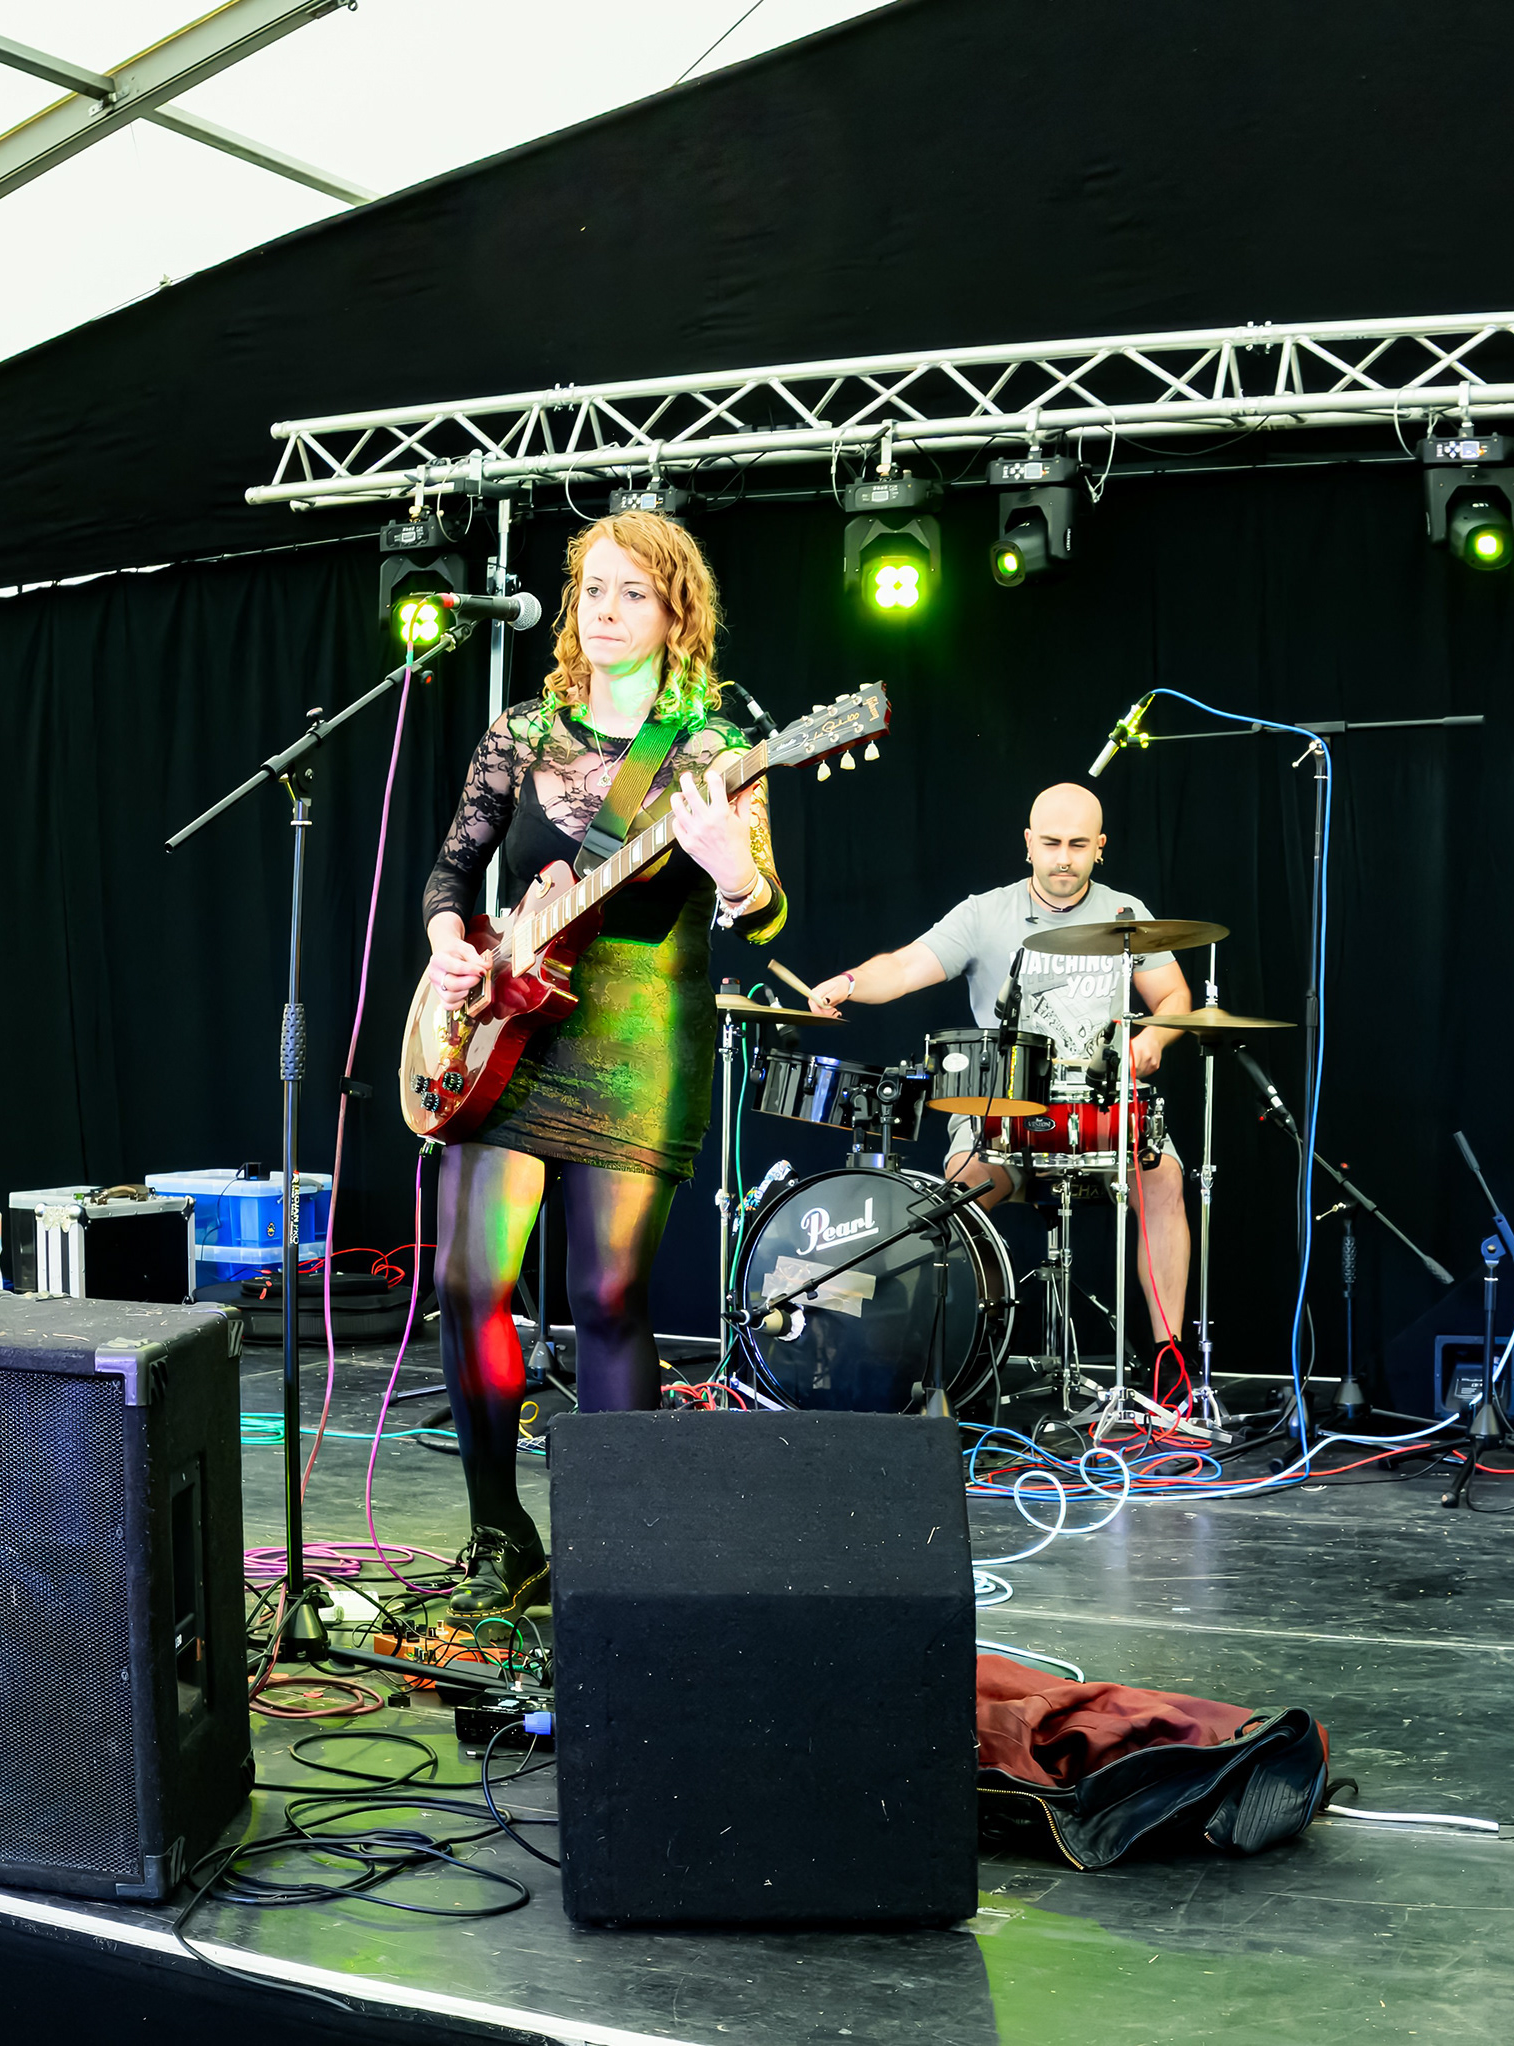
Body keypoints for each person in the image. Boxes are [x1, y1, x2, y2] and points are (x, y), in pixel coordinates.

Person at [421, 509, 785, 1615]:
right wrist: (449, 941)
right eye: (592, 590)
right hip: (508, 1032)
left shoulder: (713, 751)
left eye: (634, 592)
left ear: (677, 613)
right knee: (468, 1283)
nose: (608, 610)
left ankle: (623, 1555)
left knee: (608, 1294)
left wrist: (732, 869)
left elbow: (765, 910)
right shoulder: (523, 732)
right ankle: (502, 1538)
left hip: (637, 1040)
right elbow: (453, 871)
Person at [810, 782, 1194, 1360]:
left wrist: (1154, 1038)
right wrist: (848, 982)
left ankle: (1170, 1356)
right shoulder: (985, 913)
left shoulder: (1126, 915)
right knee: (958, 1198)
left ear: (1100, 847)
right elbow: (906, 967)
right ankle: (968, 1359)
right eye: (1051, 843)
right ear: (1028, 843)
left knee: (1163, 1180)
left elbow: (1174, 998)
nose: (1063, 858)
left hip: (1105, 1112)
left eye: (1078, 845)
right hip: (1002, 1110)